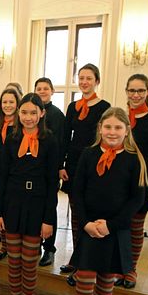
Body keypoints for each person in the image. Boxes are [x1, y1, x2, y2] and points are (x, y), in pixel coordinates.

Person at [69, 107, 146, 295]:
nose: (112, 132)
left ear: (127, 130)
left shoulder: (133, 159)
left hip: (115, 228)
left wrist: (110, 226)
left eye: (118, 127)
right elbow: (78, 191)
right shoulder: (88, 154)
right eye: (108, 127)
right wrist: (86, 223)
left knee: (106, 279)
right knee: (84, 277)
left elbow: (136, 199)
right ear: (100, 128)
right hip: (89, 227)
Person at [0, 93, 59, 295]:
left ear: (42, 113)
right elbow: (2, 177)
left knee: (29, 264)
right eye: (24, 112)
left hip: (37, 206)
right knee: (14, 263)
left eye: (33, 112)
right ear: (18, 114)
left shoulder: (50, 141)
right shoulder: (11, 140)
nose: (28, 117)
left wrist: (49, 219)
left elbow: (53, 183)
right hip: (12, 203)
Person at [59, 63, 110, 280]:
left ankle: (89, 260)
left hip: (94, 165)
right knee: (77, 213)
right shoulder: (72, 107)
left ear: (97, 81)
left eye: (88, 78)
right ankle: (77, 257)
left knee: (92, 213)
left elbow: (106, 138)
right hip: (73, 164)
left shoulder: (105, 106)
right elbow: (64, 137)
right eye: (81, 78)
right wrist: (61, 165)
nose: (84, 82)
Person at [118, 74, 148, 289]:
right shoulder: (119, 118)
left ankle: (130, 269)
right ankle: (117, 266)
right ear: (126, 92)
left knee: (135, 228)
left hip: (142, 183)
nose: (136, 95)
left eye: (140, 91)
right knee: (117, 227)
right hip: (118, 183)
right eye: (132, 90)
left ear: (147, 92)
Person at [34, 77, 65, 267]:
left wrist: (59, 166)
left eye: (46, 88)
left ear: (52, 91)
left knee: (49, 209)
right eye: (39, 88)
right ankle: (35, 244)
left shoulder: (57, 115)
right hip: (34, 169)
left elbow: (60, 144)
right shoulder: (32, 111)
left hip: (50, 168)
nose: (42, 91)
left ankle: (49, 248)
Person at [0, 88, 20, 261]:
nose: (7, 105)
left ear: (17, 104)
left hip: (14, 174)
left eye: (11, 102)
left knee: (11, 209)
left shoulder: (20, 126)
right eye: (4, 102)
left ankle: (13, 245)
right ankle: (3, 245)